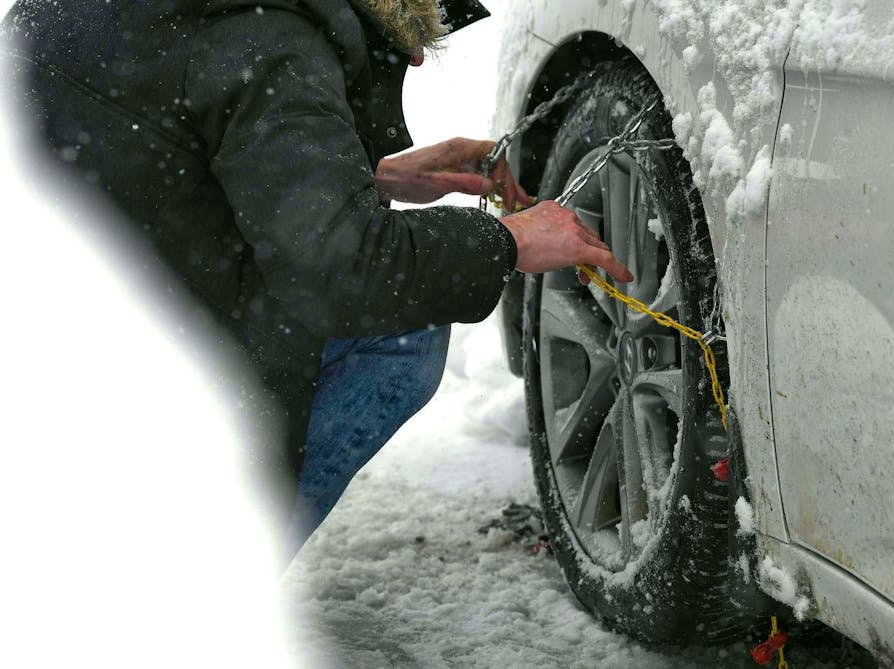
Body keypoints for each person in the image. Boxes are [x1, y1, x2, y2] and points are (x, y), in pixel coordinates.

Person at [1, 0, 632, 562]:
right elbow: (348, 275)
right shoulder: (267, 40)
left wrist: (366, 175)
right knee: (402, 324)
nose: (418, 52)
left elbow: (157, 152)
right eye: (425, 16)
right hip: (114, 392)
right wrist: (508, 240)